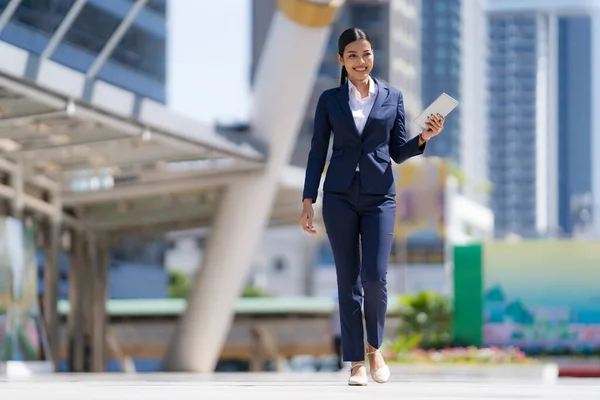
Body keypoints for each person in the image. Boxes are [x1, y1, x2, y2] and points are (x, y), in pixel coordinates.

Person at [299, 28, 444, 386]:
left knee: (375, 277)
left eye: (366, 54)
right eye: (352, 55)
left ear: (372, 56)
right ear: (340, 60)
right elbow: (318, 152)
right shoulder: (329, 100)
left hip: (381, 196)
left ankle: (374, 347)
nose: (361, 61)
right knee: (347, 281)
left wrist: (424, 138)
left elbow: (397, 151)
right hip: (339, 197)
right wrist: (308, 200)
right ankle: (355, 364)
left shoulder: (392, 96)